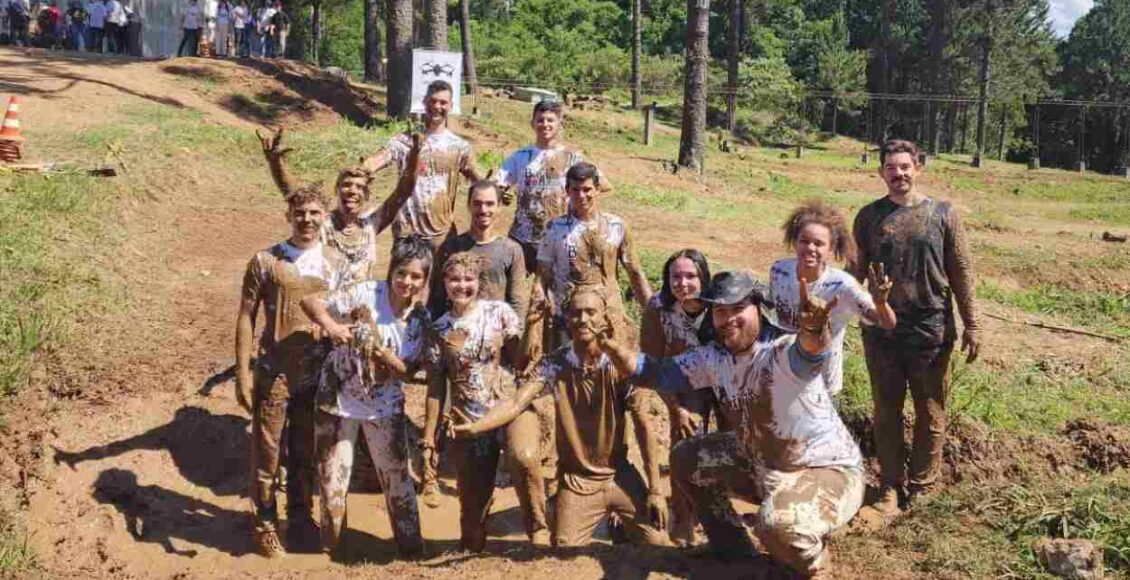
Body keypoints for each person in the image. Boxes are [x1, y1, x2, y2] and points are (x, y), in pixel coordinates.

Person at [614, 270, 862, 577]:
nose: (728, 318)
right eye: (720, 311)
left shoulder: (783, 351)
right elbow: (659, 373)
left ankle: (815, 567)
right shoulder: (714, 357)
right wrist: (614, 352)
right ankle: (732, 548)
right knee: (687, 457)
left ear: (759, 309)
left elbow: (811, 350)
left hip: (827, 470)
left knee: (775, 525)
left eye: (738, 308)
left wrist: (815, 328)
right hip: (763, 461)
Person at [453, 282, 671, 548]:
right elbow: (516, 402)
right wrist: (477, 427)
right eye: (576, 313)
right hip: (577, 481)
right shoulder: (555, 364)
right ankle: (565, 512)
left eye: (591, 312)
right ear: (567, 320)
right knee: (565, 552)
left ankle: (619, 525)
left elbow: (644, 426)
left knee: (659, 545)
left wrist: (655, 490)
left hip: (619, 475)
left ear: (604, 317)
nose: (583, 319)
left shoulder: (620, 366)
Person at [852, 139, 982, 515]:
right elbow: (854, 272)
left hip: (931, 329)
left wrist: (972, 324)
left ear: (918, 168)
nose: (899, 174)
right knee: (886, 409)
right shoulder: (869, 217)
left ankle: (923, 486)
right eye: (891, 168)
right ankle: (890, 485)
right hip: (882, 331)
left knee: (930, 410)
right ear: (881, 172)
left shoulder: (943, 214)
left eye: (905, 167)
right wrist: (828, 307)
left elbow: (961, 271)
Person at [234, 185, 351, 558]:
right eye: (300, 213)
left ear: (325, 217)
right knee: (267, 453)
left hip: (316, 373)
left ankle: (300, 518)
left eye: (315, 213)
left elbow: (346, 313)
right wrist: (242, 373)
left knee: (304, 450)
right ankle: (265, 525)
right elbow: (246, 317)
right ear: (288, 216)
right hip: (275, 372)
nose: (307, 220)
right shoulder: (266, 261)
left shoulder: (336, 262)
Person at [300, 236, 434, 558]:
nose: (407, 282)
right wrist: (332, 326)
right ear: (391, 270)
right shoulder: (366, 293)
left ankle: (411, 550)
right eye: (401, 272)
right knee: (332, 484)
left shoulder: (420, 319)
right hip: (337, 401)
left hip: (384, 407)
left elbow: (408, 371)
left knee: (398, 481)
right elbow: (310, 301)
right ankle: (332, 552)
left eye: (416, 276)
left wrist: (381, 353)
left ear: (425, 280)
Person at [421, 252, 546, 549]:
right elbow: (435, 389)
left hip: (508, 407)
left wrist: (532, 325)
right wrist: (428, 439)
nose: (461, 285)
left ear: (479, 282)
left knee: (525, 456)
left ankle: (538, 527)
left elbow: (521, 361)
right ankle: (476, 535)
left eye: (469, 279)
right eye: (454, 279)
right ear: (444, 282)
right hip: (467, 419)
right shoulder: (438, 330)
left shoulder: (498, 312)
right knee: (472, 533)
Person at [767, 200, 896, 399]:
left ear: (831, 249)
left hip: (822, 388)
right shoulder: (779, 271)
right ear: (795, 242)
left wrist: (880, 303)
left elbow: (887, 323)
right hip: (784, 378)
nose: (810, 248)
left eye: (819, 244)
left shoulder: (842, 286)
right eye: (804, 241)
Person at [258, 128, 421, 282]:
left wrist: (414, 156)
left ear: (366, 195)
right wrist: (276, 164)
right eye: (346, 185)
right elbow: (296, 196)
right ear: (336, 190)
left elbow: (403, 191)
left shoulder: (371, 226)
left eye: (359, 187)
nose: (352, 191)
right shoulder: (322, 223)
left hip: (360, 302)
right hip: (323, 301)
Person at [638, 248, 718, 547]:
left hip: (724, 379)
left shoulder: (719, 302)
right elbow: (651, 364)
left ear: (703, 278)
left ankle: (720, 515)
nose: (682, 283)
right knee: (685, 446)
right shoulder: (659, 308)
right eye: (675, 277)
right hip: (683, 382)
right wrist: (676, 408)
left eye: (690, 276)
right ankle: (683, 521)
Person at [536, 161, 652, 351]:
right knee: (565, 366)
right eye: (575, 190)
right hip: (567, 317)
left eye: (587, 189)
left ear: (597, 189)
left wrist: (653, 313)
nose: (581, 195)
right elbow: (542, 276)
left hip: (608, 314)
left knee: (613, 366)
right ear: (567, 191)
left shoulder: (616, 226)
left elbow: (635, 272)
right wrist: (538, 316)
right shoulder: (554, 228)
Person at [362, 80, 482, 253]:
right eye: (433, 101)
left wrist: (496, 187)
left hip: (441, 235)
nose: (437, 106)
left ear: (451, 106)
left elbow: (479, 180)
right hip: (407, 234)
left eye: (443, 102)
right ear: (425, 102)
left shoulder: (459, 147)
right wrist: (363, 170)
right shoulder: (404, 141)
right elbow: (376, 160)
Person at [495, 100, 610, 272]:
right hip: (522, 237)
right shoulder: (520, 156)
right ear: (532, 123)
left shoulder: (572, 158)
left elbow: (603, 185)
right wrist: (501, 194)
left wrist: (580, 205)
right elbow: (496, 185)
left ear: (559, 123)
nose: (545, 124)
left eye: (550, 120)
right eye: (540, 120)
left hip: (561, 236)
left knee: (556, 286)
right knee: (514, 285)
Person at [431, 181, 527, 320]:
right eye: (477, 203)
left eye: (490, 204)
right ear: (468, 206)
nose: (483, 210)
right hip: (457, 327)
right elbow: (438, 297)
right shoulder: (451, 247)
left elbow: (517, 302)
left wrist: (514, 330)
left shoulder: (511, 250)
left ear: (499, 207)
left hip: (495, 329)